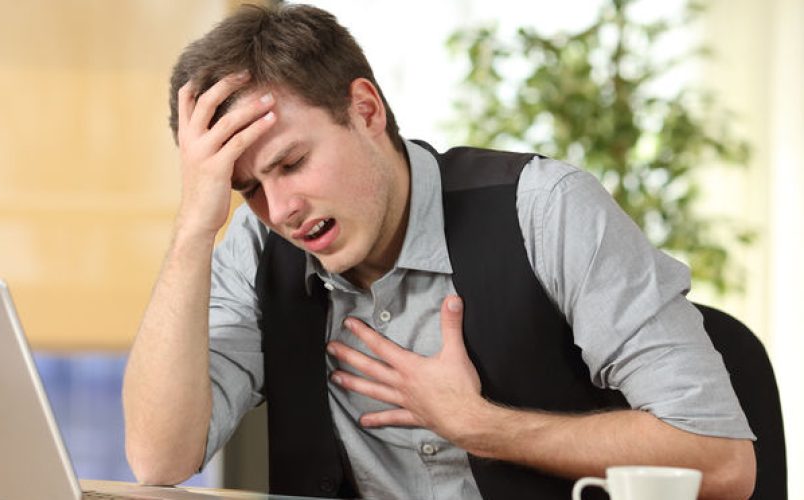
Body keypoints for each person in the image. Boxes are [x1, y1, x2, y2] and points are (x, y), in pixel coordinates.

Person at [122, 4, 756, 499]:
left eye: (293, 162)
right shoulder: (254, 246)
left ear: (364, 110)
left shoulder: (546, 208)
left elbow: (721, 458)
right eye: (248, 188)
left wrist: (483, 427)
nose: (280, 208)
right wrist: (194, 229)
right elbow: (159, 459)